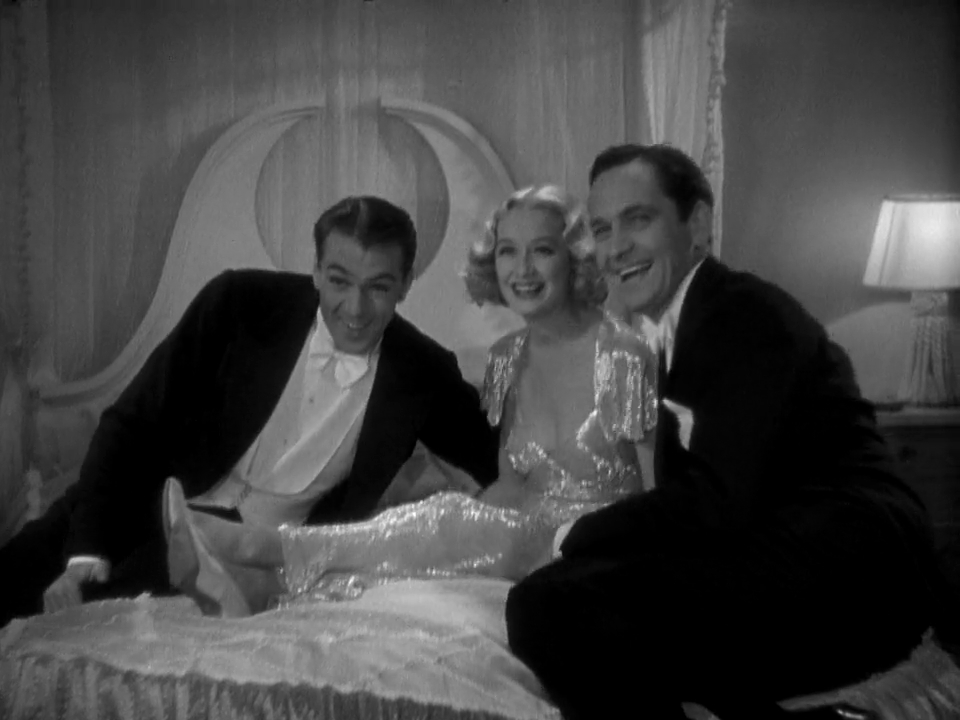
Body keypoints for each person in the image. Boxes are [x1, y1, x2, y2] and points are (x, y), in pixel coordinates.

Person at [504, 144, 956, 719]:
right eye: (601, 229)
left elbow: (716, 499)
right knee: (566, 595)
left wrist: (571, 535)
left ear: (697, 225)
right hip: (777, 542)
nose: (615, 248)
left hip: (851, 564)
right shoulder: (673, 329)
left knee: (545, 605)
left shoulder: (745, 315)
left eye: (637, 220)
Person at [160, 184, 660, 617]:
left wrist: (460, 527)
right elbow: (508, 484)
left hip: (592, 550)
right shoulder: (507, 358)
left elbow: (662, 499)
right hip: (520, 540)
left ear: (575, 256)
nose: (522, 269)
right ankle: (264, 585)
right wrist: (449, 528)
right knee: (439, 523)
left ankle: (257, 548)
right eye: (508, 251)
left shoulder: (623, 355)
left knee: (447, 520)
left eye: (543, 250)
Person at [0, 195, 500, 626]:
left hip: (242, 562)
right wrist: (86, 551)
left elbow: (501, 461)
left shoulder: (423, 373)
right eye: (339, 281)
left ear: (406, 283)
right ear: (316, 270)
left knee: (103, 630)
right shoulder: (238, 303)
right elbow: (130, 425)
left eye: (379, 287)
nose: (355, 308)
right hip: (125, 505)